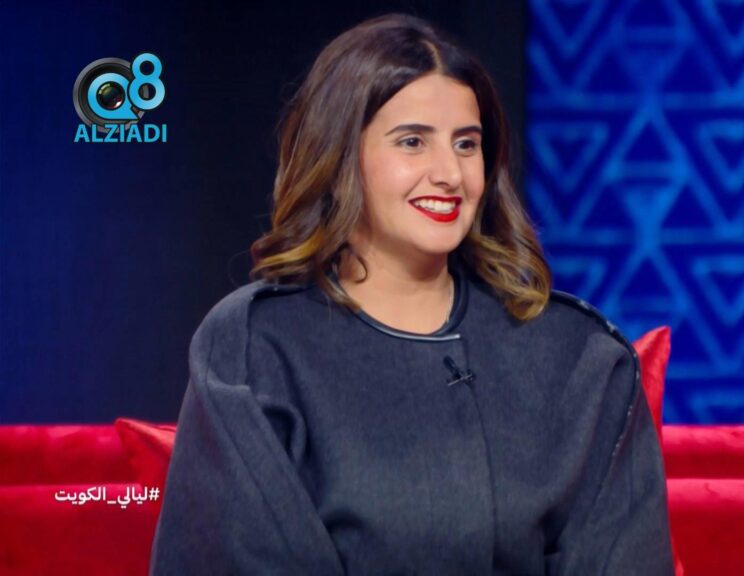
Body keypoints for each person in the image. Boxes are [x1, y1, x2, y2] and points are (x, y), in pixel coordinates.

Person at [149, 12, 674, 576]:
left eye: (466, 144)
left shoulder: (577, 356)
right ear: (341, 156)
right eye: (412, 142)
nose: (449, 172)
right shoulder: (255, 348)